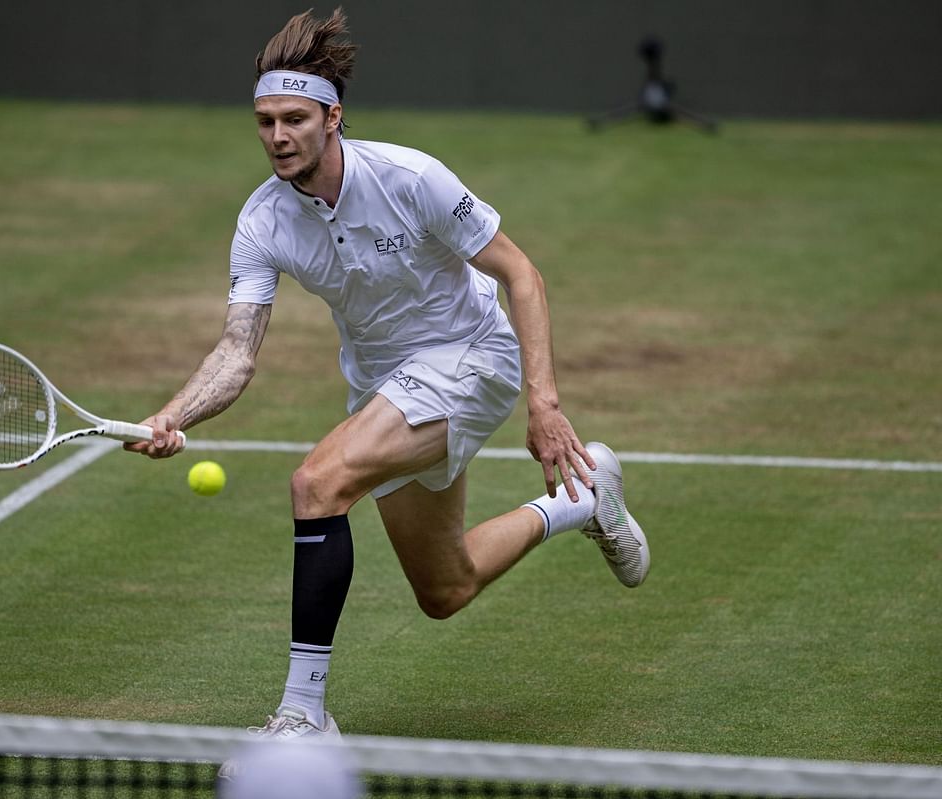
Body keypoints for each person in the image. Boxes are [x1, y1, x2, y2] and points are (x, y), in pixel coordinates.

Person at [126, 7, 650, 745]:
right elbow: (237, 352)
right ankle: (584, 495)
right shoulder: (262, 222)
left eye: (294, 119)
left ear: (332, 117)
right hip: (385, 384)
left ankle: (304, 713)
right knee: (447, 585)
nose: (278, 136)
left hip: (473, 357)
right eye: (266, 121)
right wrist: (176, 412)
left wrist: (545, 405)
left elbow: (521, 274)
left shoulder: (410, 177)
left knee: (317, 483)